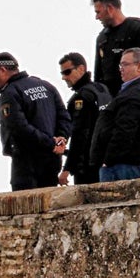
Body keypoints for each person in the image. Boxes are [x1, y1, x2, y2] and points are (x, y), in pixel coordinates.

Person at [0, 52, 72, 191]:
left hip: (27, 161)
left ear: (2, 70)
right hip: (52, 159)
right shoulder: (46, 86)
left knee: (24, 205)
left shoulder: (10, 93)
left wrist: (50, 143)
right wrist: (59, 141)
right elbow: (64, 118)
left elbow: (19, 127)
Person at [90, 48, 140, 182]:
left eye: (124, 64)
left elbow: (125, 130)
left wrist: (108, 159)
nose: (120, 69)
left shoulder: (134, 94)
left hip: (125, 166)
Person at [91, 0, 140, 96]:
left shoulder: (137, 29)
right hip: (110, 101)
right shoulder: (102, 38)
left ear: (109, 9)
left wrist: (136, 94)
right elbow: (98, 74)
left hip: (134, 96)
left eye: (98, 12)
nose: (97, 17)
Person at [57, 52, 111, 185]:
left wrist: (67, 169)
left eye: (67, 72)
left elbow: (80, 135)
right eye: (62, 73)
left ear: (81, 69)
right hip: (106, 160)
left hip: (88, 166)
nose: (64, 77)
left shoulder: (82, 97)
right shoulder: (102, 89)